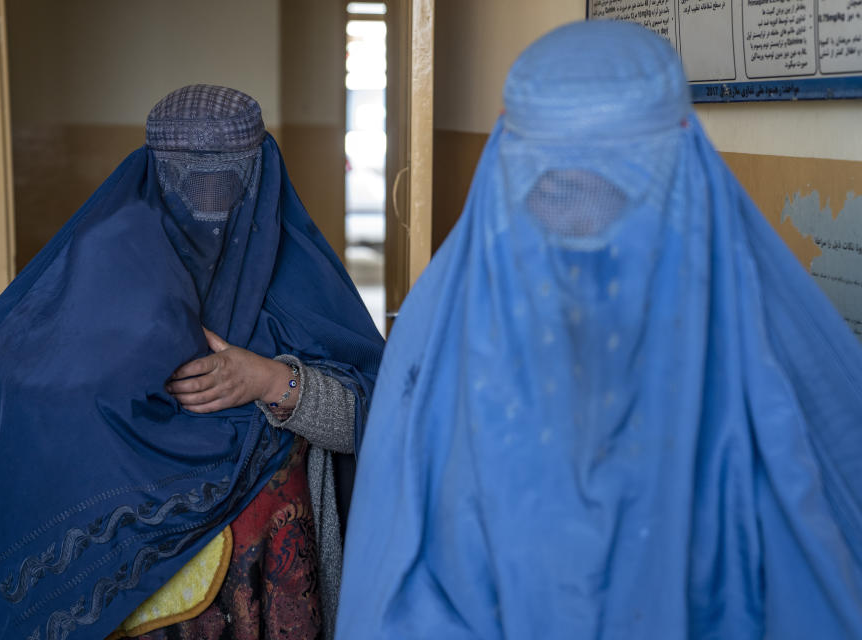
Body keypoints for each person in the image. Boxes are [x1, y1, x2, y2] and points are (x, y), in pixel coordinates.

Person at [336, 20, 862, 639]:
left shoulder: (430, 337)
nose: (583, 232)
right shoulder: (783, 341)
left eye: (615, 194)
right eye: (554, 194)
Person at [0, 85, 383, 640]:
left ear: (262, 168)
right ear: (153, 170)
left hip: (270, 595)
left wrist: (269, 378)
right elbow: (3, 381)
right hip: (132, 599)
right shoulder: (104, 261)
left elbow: (375, 422)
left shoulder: (298, 275)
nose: (207, 193)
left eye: (228, 171)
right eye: (185, 172)